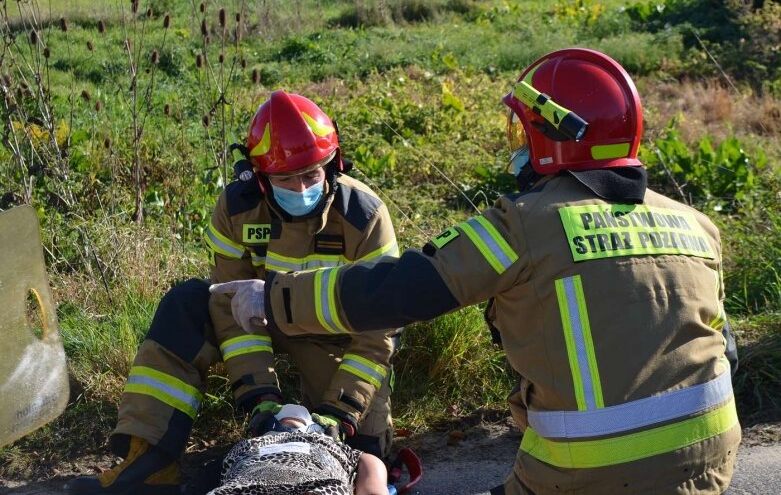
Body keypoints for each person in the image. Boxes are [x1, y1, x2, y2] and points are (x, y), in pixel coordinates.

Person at [214, 48, 741, 494]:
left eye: (524, 130)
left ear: (550, 137)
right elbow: (724, 347)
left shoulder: (524, 225)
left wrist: (274, 300)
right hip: (711, 467)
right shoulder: (696, 225)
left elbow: (405, 288)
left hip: (583, 473)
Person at [65, 90, 400, 494]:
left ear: (334, 163)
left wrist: (340, 410)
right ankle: (150, 459)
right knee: (187, 303)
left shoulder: (364, 215)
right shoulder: (236, 209)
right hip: (260, 320)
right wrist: (258, 394)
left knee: (363, 453)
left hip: (339, 338)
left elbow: (380, 326)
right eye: (284, 179)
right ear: (259, 178)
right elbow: (230, 308)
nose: (301, 187)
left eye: (313, 174)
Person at [205, 403, 388, 495]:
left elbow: (369, 462)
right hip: (246, 488)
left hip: (317, 487)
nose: (291, 420)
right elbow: (370, 463)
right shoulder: (246, 446)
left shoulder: (335, 446)